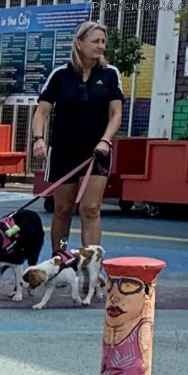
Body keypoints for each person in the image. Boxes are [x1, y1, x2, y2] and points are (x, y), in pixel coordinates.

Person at [31, 20, 124, 257]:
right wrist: (38, 139)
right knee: (62, 209)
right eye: (95, 41)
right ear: (80, 43)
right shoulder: (60, 75)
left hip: (96, 152)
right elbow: (41, 112)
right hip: (63, 150)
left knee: (91, 209)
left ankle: (91, 267)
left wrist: (105, 140)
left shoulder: (110, 74)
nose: (101, 46)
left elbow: (116, 114)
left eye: (103, 41)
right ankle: (59, 259)